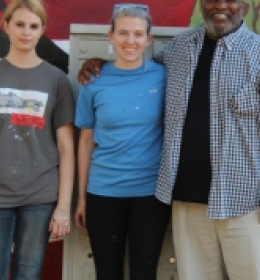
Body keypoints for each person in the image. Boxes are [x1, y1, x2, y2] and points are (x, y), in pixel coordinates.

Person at [79, 0, 260, 278]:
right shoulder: (179, 48)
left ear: (242, 5)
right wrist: (102, 65)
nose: (220, 7)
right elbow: (136, 67)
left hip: (246, 203)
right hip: (188, 203)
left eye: (229, 1)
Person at [0, 0, 75, 278]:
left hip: (40, 194)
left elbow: (67, 148)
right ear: (6, 26)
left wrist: (63, 207)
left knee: (28, 274)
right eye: (19, 24)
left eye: (34, 26)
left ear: (42, 30)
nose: (26, 32)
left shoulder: (56, 80)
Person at [73, 5, 170, 280]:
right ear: (111, 36)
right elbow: (85, 141)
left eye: (138, 34)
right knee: (107, 273)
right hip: (103, 193)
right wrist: (82, 199)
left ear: (148, 39)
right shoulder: (92, 80)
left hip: (151, 195)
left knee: (144, 273)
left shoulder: (164, 77)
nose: (131, 41)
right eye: (124, 33)